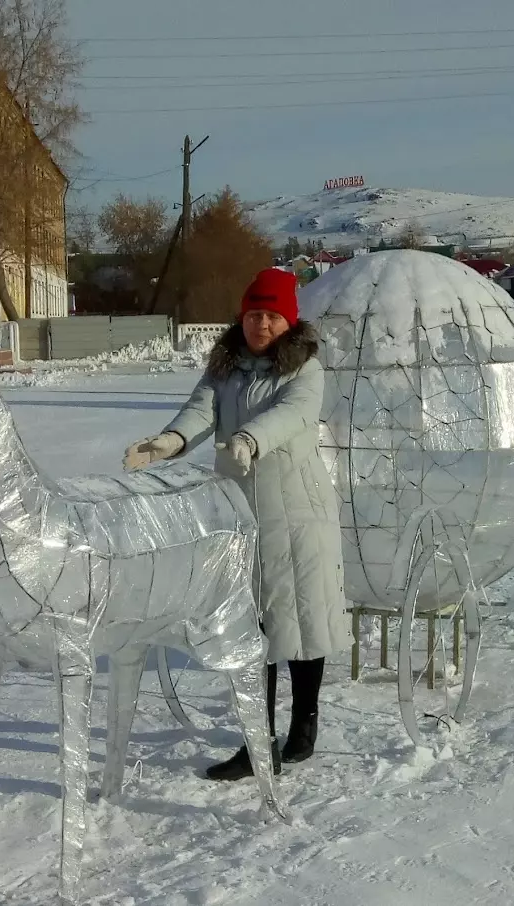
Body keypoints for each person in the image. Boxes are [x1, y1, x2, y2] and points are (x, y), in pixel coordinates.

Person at [123, 268, 350, 781]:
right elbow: (200, 410)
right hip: (240, 514)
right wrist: (169, 442)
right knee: (252, 631)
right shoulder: (224, 366)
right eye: (254, 315)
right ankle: (256, 740)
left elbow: (292, 416)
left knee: (299, 622)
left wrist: (249, 438)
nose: (261, 325)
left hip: (297, 514)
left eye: (272, 316)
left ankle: (304, 723)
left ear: (287, 321)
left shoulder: (304, 370)